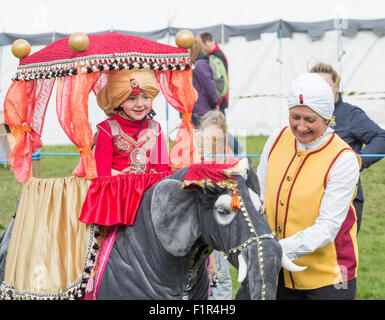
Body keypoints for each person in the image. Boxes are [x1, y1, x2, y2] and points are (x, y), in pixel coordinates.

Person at [257, 73, 361, 300]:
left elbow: (328, 227)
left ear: (328, 118)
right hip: (280, 274)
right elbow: (260, 194)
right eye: (295, 117)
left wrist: (275, 249)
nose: (301, 126)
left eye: (310, 120)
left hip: (329, 278)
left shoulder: (343, 159)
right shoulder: (276, 139)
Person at [310, 62, 385, 233]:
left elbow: (381, 138)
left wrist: (355, 162)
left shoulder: (350, 114)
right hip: (311, 196)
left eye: (326, 85)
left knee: (340, 257)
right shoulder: (304, 117)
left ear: (336, 87)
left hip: (346, 198)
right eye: (315, 85)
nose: (320, 90)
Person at [94, 68, 170, 176]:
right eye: (131, 98)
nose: (139, 104)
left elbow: (164, 169)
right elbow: (101, 171)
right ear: (119, 101)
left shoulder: (155, 128)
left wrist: (157, 175)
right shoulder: (107, 129)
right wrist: (119, 175)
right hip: (118, 189)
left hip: (150, 189)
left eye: (146, 97)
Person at [196, 31, 244, 158]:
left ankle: (240, 154)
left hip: (217, 103)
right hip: (217, 101)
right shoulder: (216, 55)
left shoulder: (217, 56)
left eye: (200, 44)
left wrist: (215, 102)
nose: (199, 47)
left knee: (221, 132)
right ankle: (239, 154)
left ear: (207, 42)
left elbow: (218, 82)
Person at [189, 40, 219, 129]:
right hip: (197, 112)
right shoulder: (192, 66)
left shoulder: (200, 65)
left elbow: (209, 87)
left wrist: (214, 104)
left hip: (204, 112)